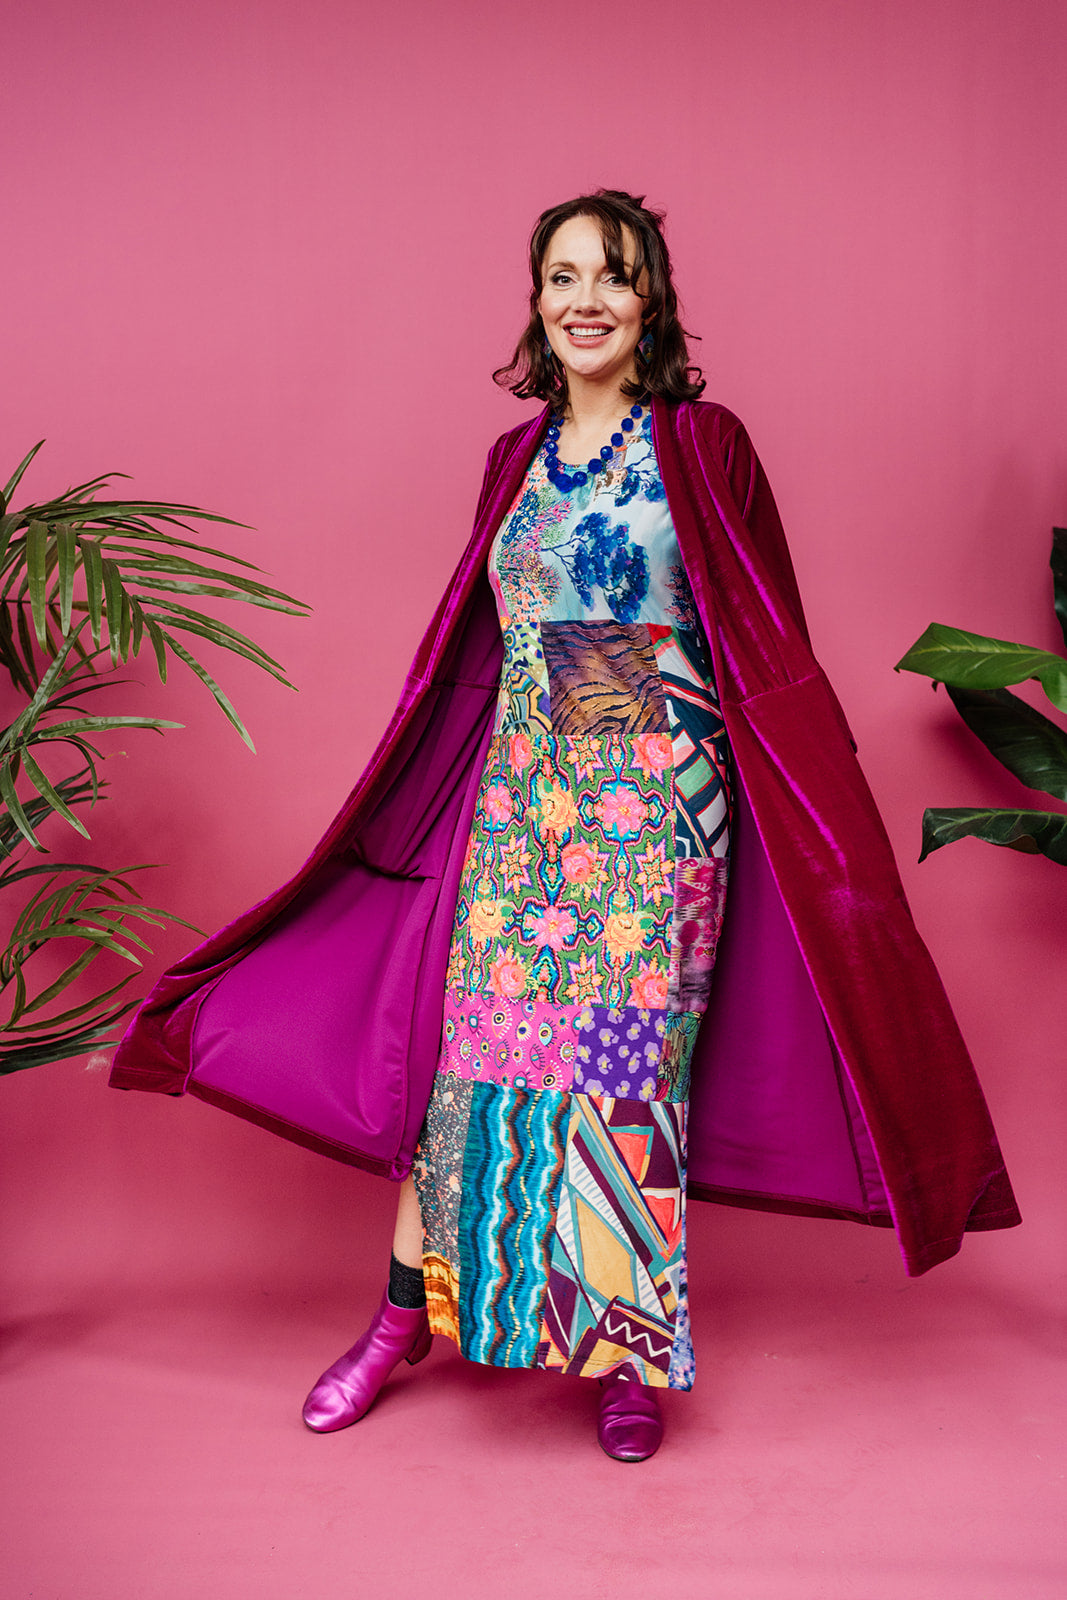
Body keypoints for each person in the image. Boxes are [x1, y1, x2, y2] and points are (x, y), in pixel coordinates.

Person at [110, 190, 1020, 1464]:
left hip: (661, 802)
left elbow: (764, 634)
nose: (585, 300)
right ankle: (399, 1320)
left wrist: (750, 779)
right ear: (535, 301)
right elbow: (487, 647)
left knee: (623, 1077)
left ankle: (623, 1357)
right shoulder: (512, 458)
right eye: (561, 277)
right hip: (523, 795)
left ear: (650, 300)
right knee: (472, 1067)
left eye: (611, 275)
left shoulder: (701, 443)